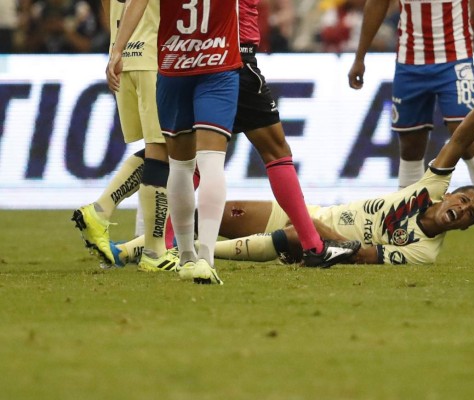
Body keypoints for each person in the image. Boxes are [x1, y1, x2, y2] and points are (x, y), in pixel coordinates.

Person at [113, 67, 474, 266]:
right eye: (466, 198)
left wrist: (315, 238)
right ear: (452, 193)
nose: (464, 207)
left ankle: (186, 258)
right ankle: (134, 250)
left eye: (470, 213)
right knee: (215, 214)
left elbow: (364, 256)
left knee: (256, 235)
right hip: (314, 217)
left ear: (464, 226)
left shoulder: (424, 252)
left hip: (321, 241)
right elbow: (458, 139)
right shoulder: (430, 190)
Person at [106, 0, 361, 271]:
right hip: (230, 57)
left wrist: (117, 49)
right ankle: (313, 246)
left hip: (187, 57)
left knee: (191, 162)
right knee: (273, 151)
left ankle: (158, 245)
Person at [347, 0, 474, 258]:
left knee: (465, 138)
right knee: (411, 146)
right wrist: (360, 56)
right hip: (409, 63)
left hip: (455, 59)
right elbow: (377, 4)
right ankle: (402, 224)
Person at [105, 0, 245, 285]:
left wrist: (117, 49)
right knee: (211, 162)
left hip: (174, 66)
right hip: (218, 64)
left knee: (180, 166)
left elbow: (137, 3)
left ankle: (185, 257)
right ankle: (205, 258)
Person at [72, 0, 179, 273]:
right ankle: (153, 250)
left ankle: (103, 213)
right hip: (153, 55)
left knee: (160, 149)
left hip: (126, 61)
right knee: (164, 150)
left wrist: (116, 48)